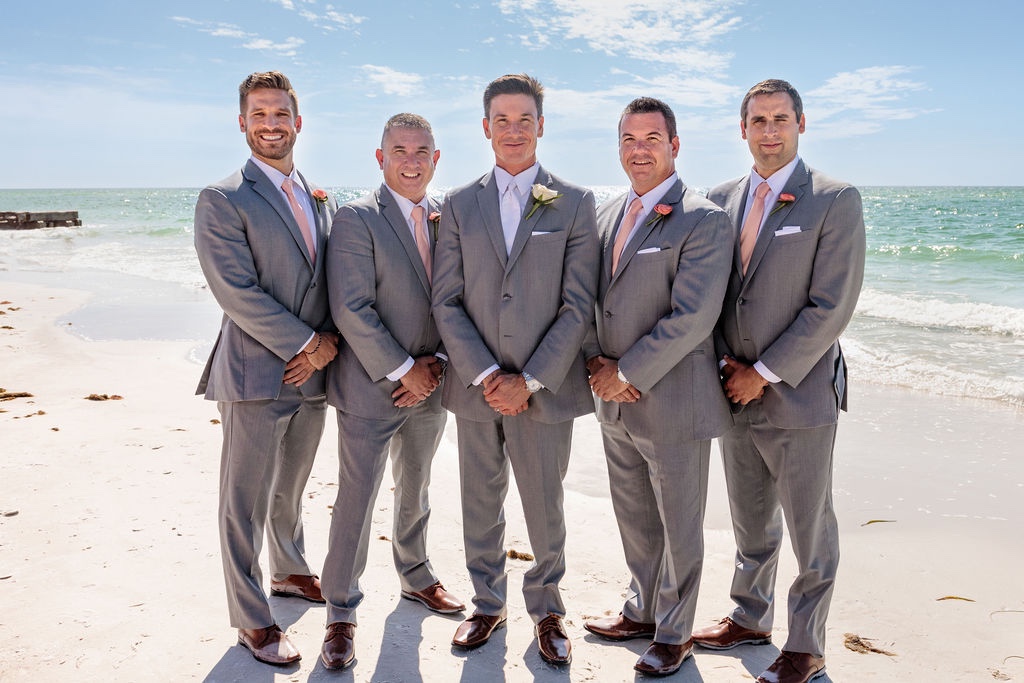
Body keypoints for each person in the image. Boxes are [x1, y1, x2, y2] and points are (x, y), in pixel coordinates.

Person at [692, 79, 866, 683]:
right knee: (750, 519)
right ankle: (749, 616)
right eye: (758, 120)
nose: (769, 131)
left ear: (800, 124)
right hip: (730, 391)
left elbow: (831, 306)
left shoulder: (834, 199)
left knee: (810, 524)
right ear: (742, 129)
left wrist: (763, 373)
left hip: (800, 392)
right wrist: (724, 369)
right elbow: (706, 297)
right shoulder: (717, 199)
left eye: (780, 119)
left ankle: (807, 645)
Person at [431, 73, 599, 665]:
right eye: (501, 120)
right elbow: (445, 300)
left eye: (524, 119)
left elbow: (579, 304)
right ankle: (486, 602)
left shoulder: (575, 203)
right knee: (480, 499)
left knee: (545, 502)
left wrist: (527, 379)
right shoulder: (456, 204)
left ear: (541, 126)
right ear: (484, 128)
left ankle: (548, 611)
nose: (513, 130)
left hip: (545, 389)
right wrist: (484, 375)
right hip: (475, 388)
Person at [580, 97, 733, 677]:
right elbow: (593, 299)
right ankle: (642, 610)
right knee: (635, 516)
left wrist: (625, 372)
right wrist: (598, 364)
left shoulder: (703, 218)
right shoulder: (607, 213)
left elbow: (692, 316)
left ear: (675, 144)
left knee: (679, 522)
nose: (638, 149)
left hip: (673, 400)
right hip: (611, 401)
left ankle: (675, 631)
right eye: (628, 138)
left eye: (651, 138)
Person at [194, 71, 339, 666]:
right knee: (243, 500)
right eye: (259, 114)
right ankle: (252, 619)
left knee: (292, 486)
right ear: (242, 122)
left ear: (297, 122)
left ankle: (288, 570)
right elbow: (236, 292)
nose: (271, 124)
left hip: (314, 376)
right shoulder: (223, 198)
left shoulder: (316, 194)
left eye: (281, 114)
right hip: (255, 373)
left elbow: (329, 277)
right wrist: (310, 341)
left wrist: (328, 346)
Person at [318, 113, 464, 670]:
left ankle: (416, 573)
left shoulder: (446, 216)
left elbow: (461, 299)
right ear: (380, 158)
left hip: (433, 381)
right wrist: (404, 370)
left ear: (436, 158)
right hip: (372, 384)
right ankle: (340, 611)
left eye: (422, 150)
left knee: (417, 485)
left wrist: (439, 364)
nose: (411, 160)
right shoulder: (357, 218)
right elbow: (351, 307)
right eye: (399, 150)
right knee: (357, 496)